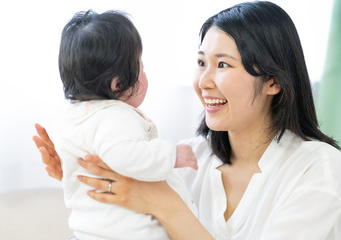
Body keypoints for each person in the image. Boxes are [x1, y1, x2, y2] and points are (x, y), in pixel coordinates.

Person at [34, 1, 341, 239]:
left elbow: (159, 205)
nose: (204, 81)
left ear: (273, 81)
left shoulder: (320, 168)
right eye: (200, 62)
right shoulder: (190, 158)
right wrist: (90, 171)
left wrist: (165, 204)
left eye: (222, 64)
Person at [42, 9, 199, 240]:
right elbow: (124, 155)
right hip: (129, 232)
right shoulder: (116, 116)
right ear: (118, 84)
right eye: (140, 66)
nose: (144, 72)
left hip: (88, 230)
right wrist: (171, 155)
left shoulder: (68, 118)